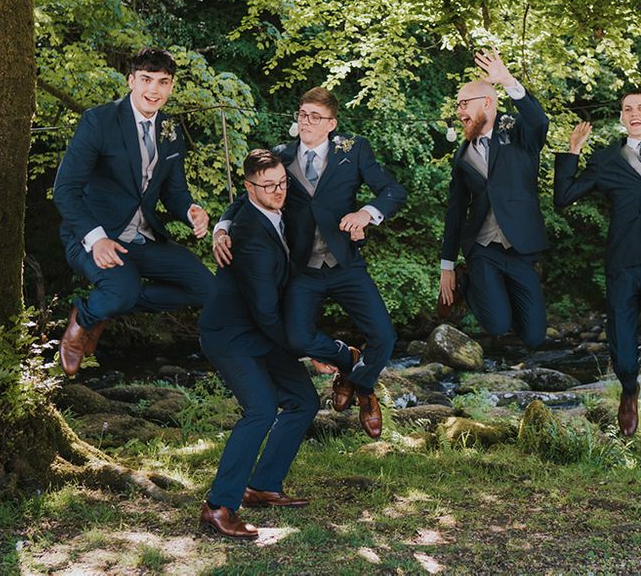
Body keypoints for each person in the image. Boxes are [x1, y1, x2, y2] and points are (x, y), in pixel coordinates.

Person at [213, 87, 407, 438]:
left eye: (315, 117)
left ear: (331, 123)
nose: (306, 121)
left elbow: (393, 191)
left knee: (384, 335)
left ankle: (361, 387)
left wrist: (366, 213)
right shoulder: (280, 155)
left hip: (346, 263)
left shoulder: (354, 149)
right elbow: (247, 197)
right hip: (302, 268)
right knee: (299, 339)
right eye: (302, 114)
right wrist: (222, 227)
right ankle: (345, 359)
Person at [53, 47, 215, 375]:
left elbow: (175, 192)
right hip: (93, 236)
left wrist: (191, 211)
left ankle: (107, 308)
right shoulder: (99, 120)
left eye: (162, 82)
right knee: (120, 291)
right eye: (146, 80)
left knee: (208, 288)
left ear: (171, 87)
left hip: (143, 238)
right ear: (131, 81)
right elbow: (65, 191)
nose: (153, 90)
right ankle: (82, 320)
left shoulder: (170, 128)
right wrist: (96, 238)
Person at [199, 149, 325, 540]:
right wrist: (306, 349)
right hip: (233, 334)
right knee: (260, 409)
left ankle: (263, 486)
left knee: (304, 401)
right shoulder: (249, 236)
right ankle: (219, 505)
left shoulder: (278, 200)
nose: (278, 191)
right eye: (268, 186)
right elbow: (266, 312)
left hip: (263, 330)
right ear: (249, 188)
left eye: (282, 183)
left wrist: (220, 222)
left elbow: (242, 200)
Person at [554, 90, 641, 436]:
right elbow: (563, 197)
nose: (635, 113)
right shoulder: (605, 161)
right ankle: (629, 392)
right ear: (620, 118)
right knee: (624, 351)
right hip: (622, 264)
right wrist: (573, 152)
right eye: (627, 109)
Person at [438, 49, 549, 349]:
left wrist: (508, 81)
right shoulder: (462, 155)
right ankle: (470, 281)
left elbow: (539, 123)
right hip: (482, 249)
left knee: (535, 336)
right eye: (458, 105)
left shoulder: (517, 132)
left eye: (464, 104)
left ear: (487, 102)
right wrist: (447, 265)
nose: (459, 111)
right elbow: (456, 211)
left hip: (521, 247)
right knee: (497, 324)